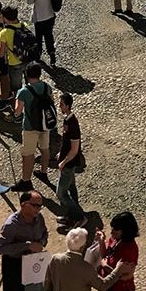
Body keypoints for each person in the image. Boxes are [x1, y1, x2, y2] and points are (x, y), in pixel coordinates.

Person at [0, 191, 49, 291]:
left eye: (40, 206)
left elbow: (45, 233)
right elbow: (1, 248)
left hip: (32, 262)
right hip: (14, 265)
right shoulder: (11, 225)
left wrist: (41, 243)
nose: (38, 209)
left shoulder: (39, 218)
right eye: (35, 205)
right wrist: (27, 245)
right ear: (23, 205)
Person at [43, 226, 109, 291]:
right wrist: (118, 271)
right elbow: (102, 286)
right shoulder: (86, 267)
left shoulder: (55, 259)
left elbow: (47, 284)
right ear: (82, 247)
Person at [15, 62, 56, 190]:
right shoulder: (46, 87)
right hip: (45, 124)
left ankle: (26, 181)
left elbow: (17, 112)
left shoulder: (23, 92)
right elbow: (52, 101)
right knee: (45, 148)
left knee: (28, 154)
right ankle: (43, 172)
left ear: (26, 75)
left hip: (30, 127)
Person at [52, 92, 86, 224]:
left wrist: (64, 161)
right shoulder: (68, 120)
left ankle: (79, 216)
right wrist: (61, 153)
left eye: (61, 104)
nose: (59, 106)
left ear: (67, 105)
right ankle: (73, 214)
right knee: (71, 188)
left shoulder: (72, 123)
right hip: (68, 162)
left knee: (61, 193)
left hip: (69, 164)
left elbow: (74, 148)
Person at [98, 213, 141, 291]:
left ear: (125, 231)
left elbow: (125, 276)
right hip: (111, 287)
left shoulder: (130, 249)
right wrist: (101, 241)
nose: (111, 232)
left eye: (115, 229)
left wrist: (105, 266)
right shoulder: (115, 239)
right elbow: (105, 255)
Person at [26, 0, 60, 65]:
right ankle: (51, 52)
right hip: (50, 15)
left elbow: (29, 1)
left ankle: (38, 55)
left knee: (39, 37)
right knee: (49, 35)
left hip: (40, 18)